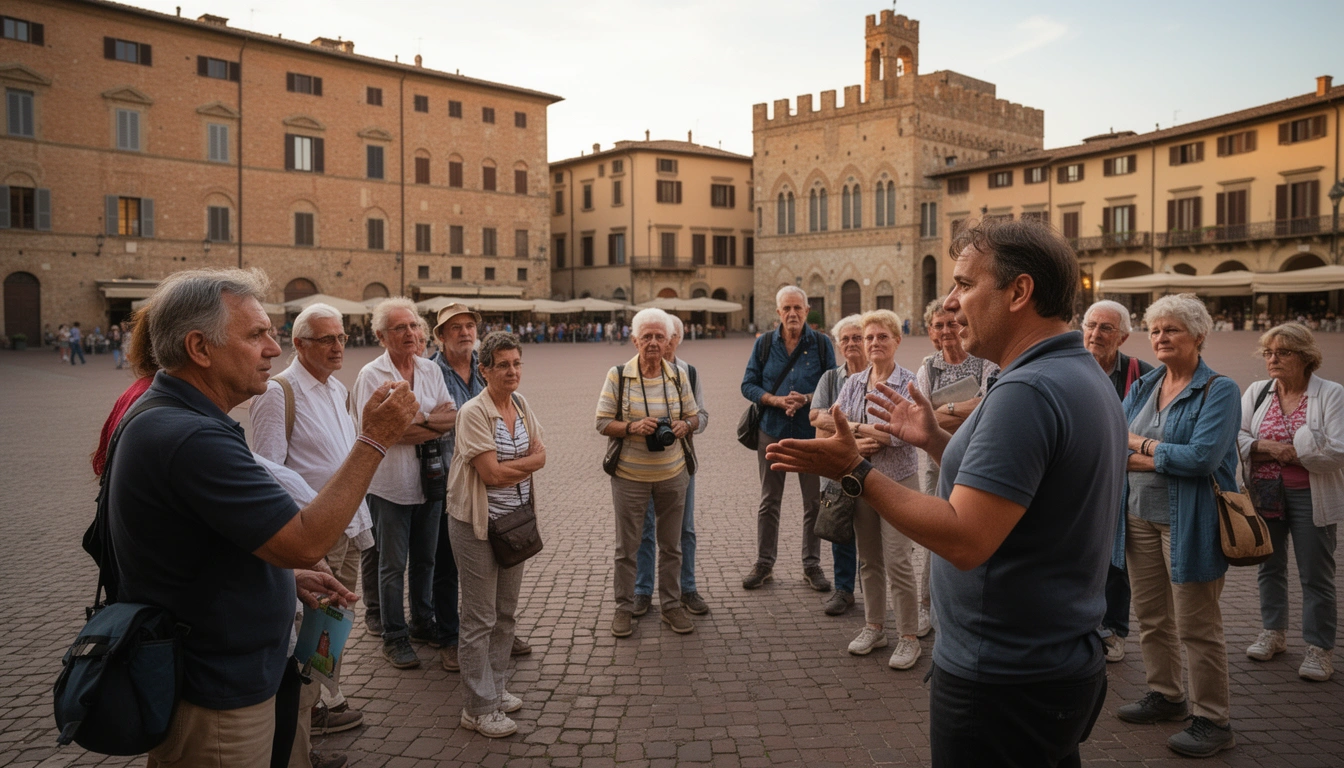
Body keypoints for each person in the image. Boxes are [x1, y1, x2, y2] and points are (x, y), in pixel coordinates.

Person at [766, 219, 1122, 767]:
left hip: (1005, 676)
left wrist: (854, 469)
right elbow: (1015, 499)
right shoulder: (1075, 372)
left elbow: (964, 537)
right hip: (1051, 661)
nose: (951, 304)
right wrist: (935, 440)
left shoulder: (1027, 390)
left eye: (964, 285)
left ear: (1019, 292)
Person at [106, 268, 417, 767]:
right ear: (199, 348)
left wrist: (282, 576)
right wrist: (375, 438)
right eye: (256, 335)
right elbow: (304, 540)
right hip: (217, 692)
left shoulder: (177, 417)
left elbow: (208, 540)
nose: (273, 348)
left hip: (224, 675)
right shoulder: (191, 438)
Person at [1113, 294, 1240, 758]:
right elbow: (1114, 447)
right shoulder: (1144, 386)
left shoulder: (1219, 390)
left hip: (1192, 522)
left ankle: (1213, 719)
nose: (1161, 338)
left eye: (1172, 330)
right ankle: (1165, 694)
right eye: (1155, 330)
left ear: (1199, 336)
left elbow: (1203, 459)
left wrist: (1141, 447)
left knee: (1197, 625)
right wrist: (1150, 455)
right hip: (1139, 518)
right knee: (1151, 618)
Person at [250, 303, 370, 738]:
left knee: (332, 622)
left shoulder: (338, 390)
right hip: (310, 532)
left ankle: (322, 697)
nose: (338, 346)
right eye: (327, 339)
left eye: (341, 337)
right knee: (307, 621)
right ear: (299, 345)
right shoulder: (278, 393)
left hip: (349, 525)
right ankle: (306, 710)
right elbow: (265, 472)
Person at [446, 332, 545, 738]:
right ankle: (477, 707)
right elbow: (490, 474)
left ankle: (496, 688)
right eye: (502, 365)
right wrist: (526, 464)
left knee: (505, 615)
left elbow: (543, 454)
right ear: (483, 369)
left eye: (517, 363)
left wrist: (520, 465)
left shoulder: (521, 406)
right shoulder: (472, 412)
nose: (512, 371)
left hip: (513, 525)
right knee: (478, 618)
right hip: (476, 526)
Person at [354, 298, 457, 670]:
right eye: (400, 328)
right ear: (381, 335)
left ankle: (421, 622)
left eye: (414, 326)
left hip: (430, 482)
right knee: (392, 564)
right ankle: (393, 635)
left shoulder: (430, 370)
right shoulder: (371, 375)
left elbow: (452, 416)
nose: (410, 333)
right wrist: (430, 423)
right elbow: (381, 431)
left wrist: (417, 422)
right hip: (389, 485)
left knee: (426, 560)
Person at [429, 303, 533, 671]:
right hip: (445, 480)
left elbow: (538, 452)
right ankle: (448, 636)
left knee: (496, 592)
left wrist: (442, 421)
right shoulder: (431, 370)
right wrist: (438, 421)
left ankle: (492, 647)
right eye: (454, 327)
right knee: (445, 564)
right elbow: (425, 420)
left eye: (469, 325)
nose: (464, 332)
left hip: (501, 502)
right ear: (440, 335)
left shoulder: (490, 376)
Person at [1238, 323, 1342, 682]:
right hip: (1264, 494)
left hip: (1311, 495)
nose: (1273, 359)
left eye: (1282, 352)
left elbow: (1337, 451)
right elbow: (1236, 435)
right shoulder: (1257, 391)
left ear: (1305, 356)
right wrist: (1268, 447)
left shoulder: (1330, 394)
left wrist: (1296, 454)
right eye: (1268, 352)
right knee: (1269, 566)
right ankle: (1274, 632)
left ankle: (1319, 648)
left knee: (1316, 574)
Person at [821, 310, 923, 669]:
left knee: (898, 561)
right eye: (869, 338)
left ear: (897, 340)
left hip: (898, 484)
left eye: (883, 337)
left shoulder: (910, 383)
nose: (875, 343)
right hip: (862, 481)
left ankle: (909, 637)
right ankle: (875, 627)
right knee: (869, 559)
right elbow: (839, 425)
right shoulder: (854, 382)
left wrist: (863, 431)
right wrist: (866, 433)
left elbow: (906, 435)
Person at [596, 308, 700, 638]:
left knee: (672, 546)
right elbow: (601, 422)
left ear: (669, 340)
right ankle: (624, 608)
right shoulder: (617, 375)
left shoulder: (678, 375)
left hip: (673, 474)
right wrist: (632, 427)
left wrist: (686, 424)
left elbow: (695, 416)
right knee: (626, 548)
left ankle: (671, 606)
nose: (653, 342)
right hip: (629, 476)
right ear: (634, 340)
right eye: (647, 337)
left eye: (659, 336)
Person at [740, 286, 837, 591]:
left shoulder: (821, 344)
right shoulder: (765, 344)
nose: (793, 314)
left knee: (813, 503)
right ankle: (764, 563)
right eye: (787, 309)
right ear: (778, 313)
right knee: (770, 501)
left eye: (798, 308)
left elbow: (833, 384)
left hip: (810, 434)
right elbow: (748, 384)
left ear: (807, 311)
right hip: (772, 430)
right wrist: (774, 399)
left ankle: (812, 565)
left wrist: (807, 398)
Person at [914, 297, 999, 638]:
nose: (947, 330)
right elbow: (921, 419)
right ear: (930, 331)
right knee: (937, 531)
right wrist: (961, 408)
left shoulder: (985, 363)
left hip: (979, 454)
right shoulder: (927, 367)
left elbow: (988, 405)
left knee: (978, 529)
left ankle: (972, 605)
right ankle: (925, 605)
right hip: (939, 459)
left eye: (952, 323)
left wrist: (941, 408)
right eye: (939, 325)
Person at [1082, 299, 1153, 664]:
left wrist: (1124, 456)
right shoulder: (1071, 368)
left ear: (1123, 336)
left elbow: (1155, 432)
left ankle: (1115, 630)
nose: (1095, 334)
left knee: (1117, 561)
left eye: (1106, 328)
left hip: (1126, 482)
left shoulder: (1142, 373)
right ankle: (1083, 624)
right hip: (1081, 478)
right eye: (1091, 326)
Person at [633, 315, 711, 617]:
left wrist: (686, 425)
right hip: (641, 466)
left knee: (685, 530)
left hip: (680, 464)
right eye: (654, 336)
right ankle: (642, 591)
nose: (662, 343)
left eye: (669, 336)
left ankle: (687, 588)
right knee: (644, 530)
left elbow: (702, 416)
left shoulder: (688, 373)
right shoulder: (633, 373)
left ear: (675, 339)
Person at [808, 315, 866, 616]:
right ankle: (844, 590)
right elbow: (815, 417)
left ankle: (874, 589)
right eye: (845, 339)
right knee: (839, 528)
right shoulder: (831, 378)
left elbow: (888, 426)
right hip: (836, 467)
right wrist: (857, 428)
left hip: (875, 466)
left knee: (874, 533)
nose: (852, 344)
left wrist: (838, 428)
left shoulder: (878, 376)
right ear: (838, 345)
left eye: (858, 337)